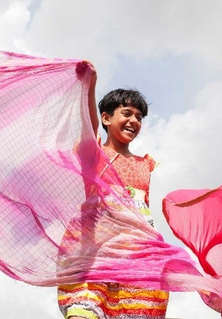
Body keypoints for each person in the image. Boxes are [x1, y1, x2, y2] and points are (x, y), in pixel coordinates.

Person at [57, 65, 169, 319]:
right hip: (95, 252)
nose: (134, 121)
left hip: (137, 256)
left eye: (139, 117)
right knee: (83, 310)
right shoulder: (94, 154)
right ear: (107, 118)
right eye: (127, 113)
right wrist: (89, 85)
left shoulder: (145, 165)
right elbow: (88, 124)